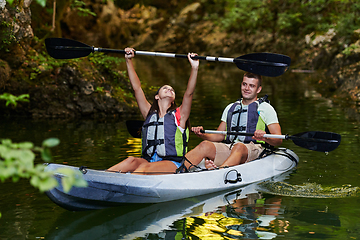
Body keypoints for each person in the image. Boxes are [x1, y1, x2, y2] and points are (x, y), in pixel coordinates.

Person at [107, 48, 199, 174]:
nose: (169, 89)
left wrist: (194, 68)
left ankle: (127, 184)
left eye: (172, 89)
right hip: (149, 160)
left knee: (143, 169)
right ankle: (99, 179)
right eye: (165, 88)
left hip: (173, 164)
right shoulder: (149, 114)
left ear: (173, 99)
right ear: (157, 96)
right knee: (131, 161)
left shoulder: (180, 115)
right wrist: (128, 61)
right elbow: (137, 88)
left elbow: (189, 93)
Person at [185, 72, 282, 169]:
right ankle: (176, 171)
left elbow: (278, 140)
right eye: (244, 84)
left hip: (255, 148)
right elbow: (220, 135)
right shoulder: (230, 107)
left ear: (258, 89)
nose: (246, 88)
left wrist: (265, 137)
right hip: (230, 147)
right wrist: (203, 135)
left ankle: (219, 173)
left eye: (251, 86)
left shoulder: (266, 108)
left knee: (239, 147)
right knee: (204, 145)